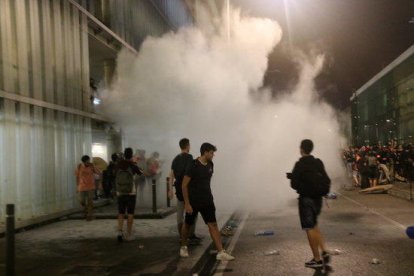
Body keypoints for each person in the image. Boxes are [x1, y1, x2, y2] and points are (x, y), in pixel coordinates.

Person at [179, 143, 235, 261]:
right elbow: (184, 185)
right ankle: (183, 246)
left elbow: (206, 182)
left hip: (207, 201)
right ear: (205, 152)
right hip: (193, 201)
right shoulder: (193, 165)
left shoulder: (210, 164)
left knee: (213, 224)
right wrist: (187, 203)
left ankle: (221, 252)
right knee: (187, 224)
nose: (213, 155)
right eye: (211, 152)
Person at [288, 139, 330, 268]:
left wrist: (300, 185)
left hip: (306, 199)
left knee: (309, 228)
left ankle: (317, 260)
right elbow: (326, 179)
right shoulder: (318, 162)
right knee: (315, 224)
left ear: (301, 149)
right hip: (318, 199)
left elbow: (294, 184)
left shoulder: (299, 164)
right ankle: (324, 250)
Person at [169, 138, 201, 244]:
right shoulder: (190, 157)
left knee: (179, 214)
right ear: (187, 146)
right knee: (192, 212)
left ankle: (181, 236)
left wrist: (169, 190)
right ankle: (190, 235)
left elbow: (171, 175)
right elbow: (191, 173)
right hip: (188, 189)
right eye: (189, 145)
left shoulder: (176, 159)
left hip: (178, 189)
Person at [115, 147, 145, 242]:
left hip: (120, 192)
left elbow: (114, 173)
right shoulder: (132, 165)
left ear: (124, 154)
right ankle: (128, 234)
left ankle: (120, 232)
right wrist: (135, 164)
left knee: (121, 212)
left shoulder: (119, 164)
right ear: (131, 155)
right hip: (131, 192)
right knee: (130, 213)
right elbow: (141, 173)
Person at [75, 155, 100, 221]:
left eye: (88, 161)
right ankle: (86, 210)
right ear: (83, 162)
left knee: (90, 201)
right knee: (81, 201)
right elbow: (77, 177)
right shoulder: (79, 166)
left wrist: (94, 167)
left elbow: (99, 173)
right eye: (87, 161)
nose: (88, 162)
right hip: (82, 186)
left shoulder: (91, 166)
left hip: (90, 187)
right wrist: (77, 186)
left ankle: (89, 214)